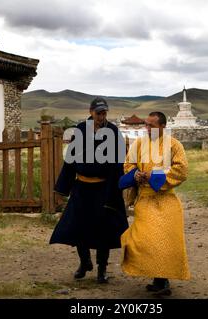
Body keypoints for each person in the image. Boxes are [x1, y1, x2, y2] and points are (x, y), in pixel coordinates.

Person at [50, 97, 129, 284]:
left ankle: (102, 270)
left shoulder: (113, 131)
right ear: (91, 111)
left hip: (103, 188)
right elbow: (71, 159)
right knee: (79, 226)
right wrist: (62, 188)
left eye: (104, 113)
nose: (102, 116)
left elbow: (118, 163)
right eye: (98, 112)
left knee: (103, 230)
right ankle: (84, 262)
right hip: (82, 188)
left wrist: (116, 189)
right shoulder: (81, 130)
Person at [118, 112, 191, 296]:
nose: (147, 129)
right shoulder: (139, 144)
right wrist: (136, 174)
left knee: (163, 243)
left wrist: (155, 176)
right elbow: (128, 165)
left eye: (152, 125)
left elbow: (181, 170)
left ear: (163, 127)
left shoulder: (174, 145)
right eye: (146, 125)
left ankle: (162, 281)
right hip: (145, 200)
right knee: (143, 240)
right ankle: (157, 277)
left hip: (166, 200)